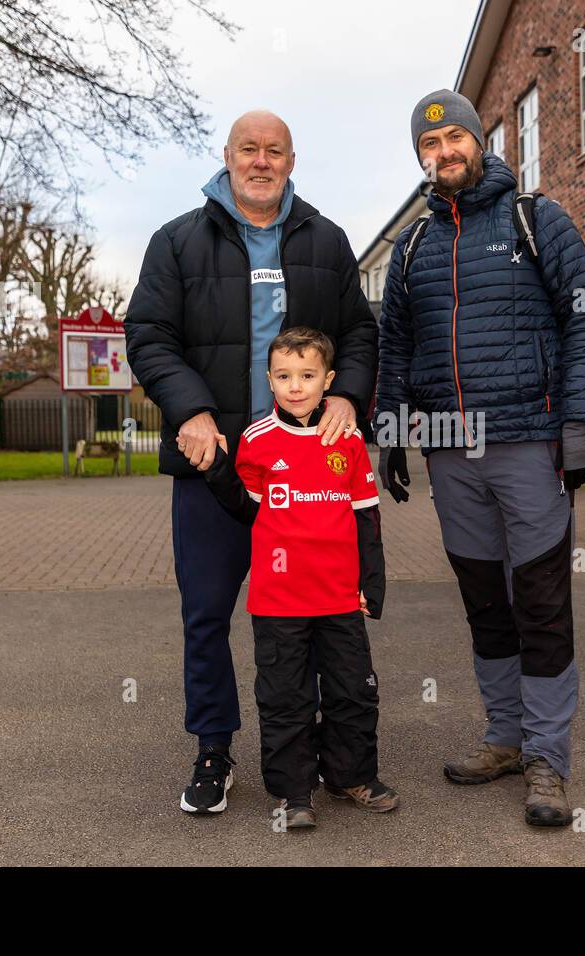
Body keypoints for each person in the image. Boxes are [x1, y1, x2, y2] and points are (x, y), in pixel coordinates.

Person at [125, 110, 376, 814]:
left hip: (310, 477)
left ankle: (328, 750)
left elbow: (359, 331)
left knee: (322, 615)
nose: (260, 161)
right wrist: (192, 410)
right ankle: (213, 746)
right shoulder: (176, 242)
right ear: (227, 157)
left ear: (291, 161)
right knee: (206, 614)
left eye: (274, 151)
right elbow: (148, 335)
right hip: (217, 470)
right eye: (248, 150)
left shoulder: (326, 241)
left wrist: (350, 396)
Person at [375, 89, 585, 827]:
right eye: (429, 149)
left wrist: (577, 429)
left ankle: (547, 756)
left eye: (454, 142)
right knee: (485, 606)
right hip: (450, 453)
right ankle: (505, 737)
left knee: (540, 602)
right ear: (421, 158)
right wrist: (390, 432)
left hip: (529, 445)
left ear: (479, 141)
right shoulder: (412, 247)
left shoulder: (537, 221)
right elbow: (395, 347)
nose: (444, 156)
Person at [204, 327, 396, 829]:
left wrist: (371, 585)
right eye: (284, 375)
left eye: (307, 375)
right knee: (286, 697)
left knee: (352, 691)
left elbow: (366, 515)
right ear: (269, 379)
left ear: (327, 379)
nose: (295, 386)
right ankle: (293, 793)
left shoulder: (347, 440)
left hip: (338, 598)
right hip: (279, 601)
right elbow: (246, 510)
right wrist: (219, 470)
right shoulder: (256, 440)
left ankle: (351, 775)